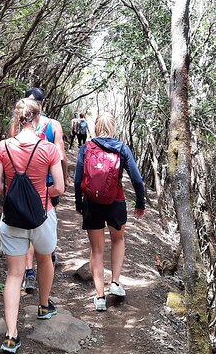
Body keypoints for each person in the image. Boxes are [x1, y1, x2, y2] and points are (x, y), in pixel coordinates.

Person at [0, 98, 65, 352]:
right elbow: (60, 187)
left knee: (14, 274)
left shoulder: (3, 147)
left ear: (17, 118)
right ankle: (43, 306)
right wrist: (42, 194)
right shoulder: (48, 149)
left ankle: (11, 335)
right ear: (37, 119)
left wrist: (14, 195)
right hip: (42, 215)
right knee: (45, 259)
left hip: (11, 218)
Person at [73, 112, 146, 312]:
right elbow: (137, 180)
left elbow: (78, 180)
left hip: (92, 203)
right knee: (118, 240)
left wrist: (79, 203)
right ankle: (115, 282)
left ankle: (99, 297)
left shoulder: (85, 148)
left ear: (96, 128)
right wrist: (140, 203)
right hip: (116, 201)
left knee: (96, 250)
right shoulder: (122, 148)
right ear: (113, 128)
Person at [14, 87, 67, 292]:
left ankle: (29, 271)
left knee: (27, 226)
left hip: (22, 185)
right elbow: (61, 155)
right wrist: (65, 178)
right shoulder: (53, 125)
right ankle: (46, 259)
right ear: (42, 103)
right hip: (47, 185)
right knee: (44, 223)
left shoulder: (19, 125)